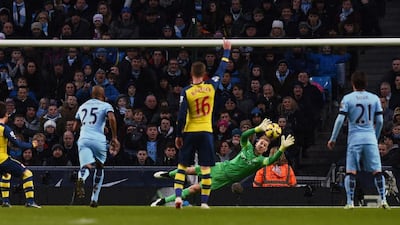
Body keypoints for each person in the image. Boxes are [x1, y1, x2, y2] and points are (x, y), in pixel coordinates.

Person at [151, 118, 295, 207]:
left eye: (265, 145)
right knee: (190, 170)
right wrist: (257, 128)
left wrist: (281, 148)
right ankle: (168, 174)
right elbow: (244, 136)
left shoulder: (260, 160)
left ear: (265, 149)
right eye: (261, 142)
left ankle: (163, 201)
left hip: (223, 179)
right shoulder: (248, 147)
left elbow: (271, 160)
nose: (262, 145)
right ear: (257, 142)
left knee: (194, 188)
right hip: (219, 167)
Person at [173, 38, 231, 209]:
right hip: (206, 132)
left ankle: (177, 198)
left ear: (191, 73)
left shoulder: (187, 91)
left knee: (182, 166)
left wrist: (178, 134)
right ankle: (204, 203)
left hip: (190, 131)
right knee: (205, 169)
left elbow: (182, 115)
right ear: (204, 73)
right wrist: (226, 51)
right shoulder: (212, 86)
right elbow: (221, 70)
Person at [327, 71, 390, 210]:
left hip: (355, 138)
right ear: (366, 83)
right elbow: (379, 121)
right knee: (377, 171)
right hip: (370, 137)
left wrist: (333, 138)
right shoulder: (374, 98)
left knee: (351, 171)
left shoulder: (348, 98)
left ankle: (350, 202)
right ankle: (384, 200)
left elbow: (340, 120)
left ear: (353, 83)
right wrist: (375, 136)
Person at [73, 85, 120, 208]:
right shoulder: (105, 105)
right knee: (99, 166)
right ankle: (94, 199)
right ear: (103, 96)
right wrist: (114, 137)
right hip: (98, 139)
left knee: (86, 166)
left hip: (83, 138)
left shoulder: (82, 106)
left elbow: (74, 127)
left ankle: (81, 178)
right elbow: (112, 118)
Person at [0, 101, 41, 208]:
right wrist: (32, 144)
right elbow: (17, 143)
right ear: (6, 114)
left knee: (6, 175)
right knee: (27, 173)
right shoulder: (4, 128)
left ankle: (5, 201)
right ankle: (30, 201)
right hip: (2, 159)